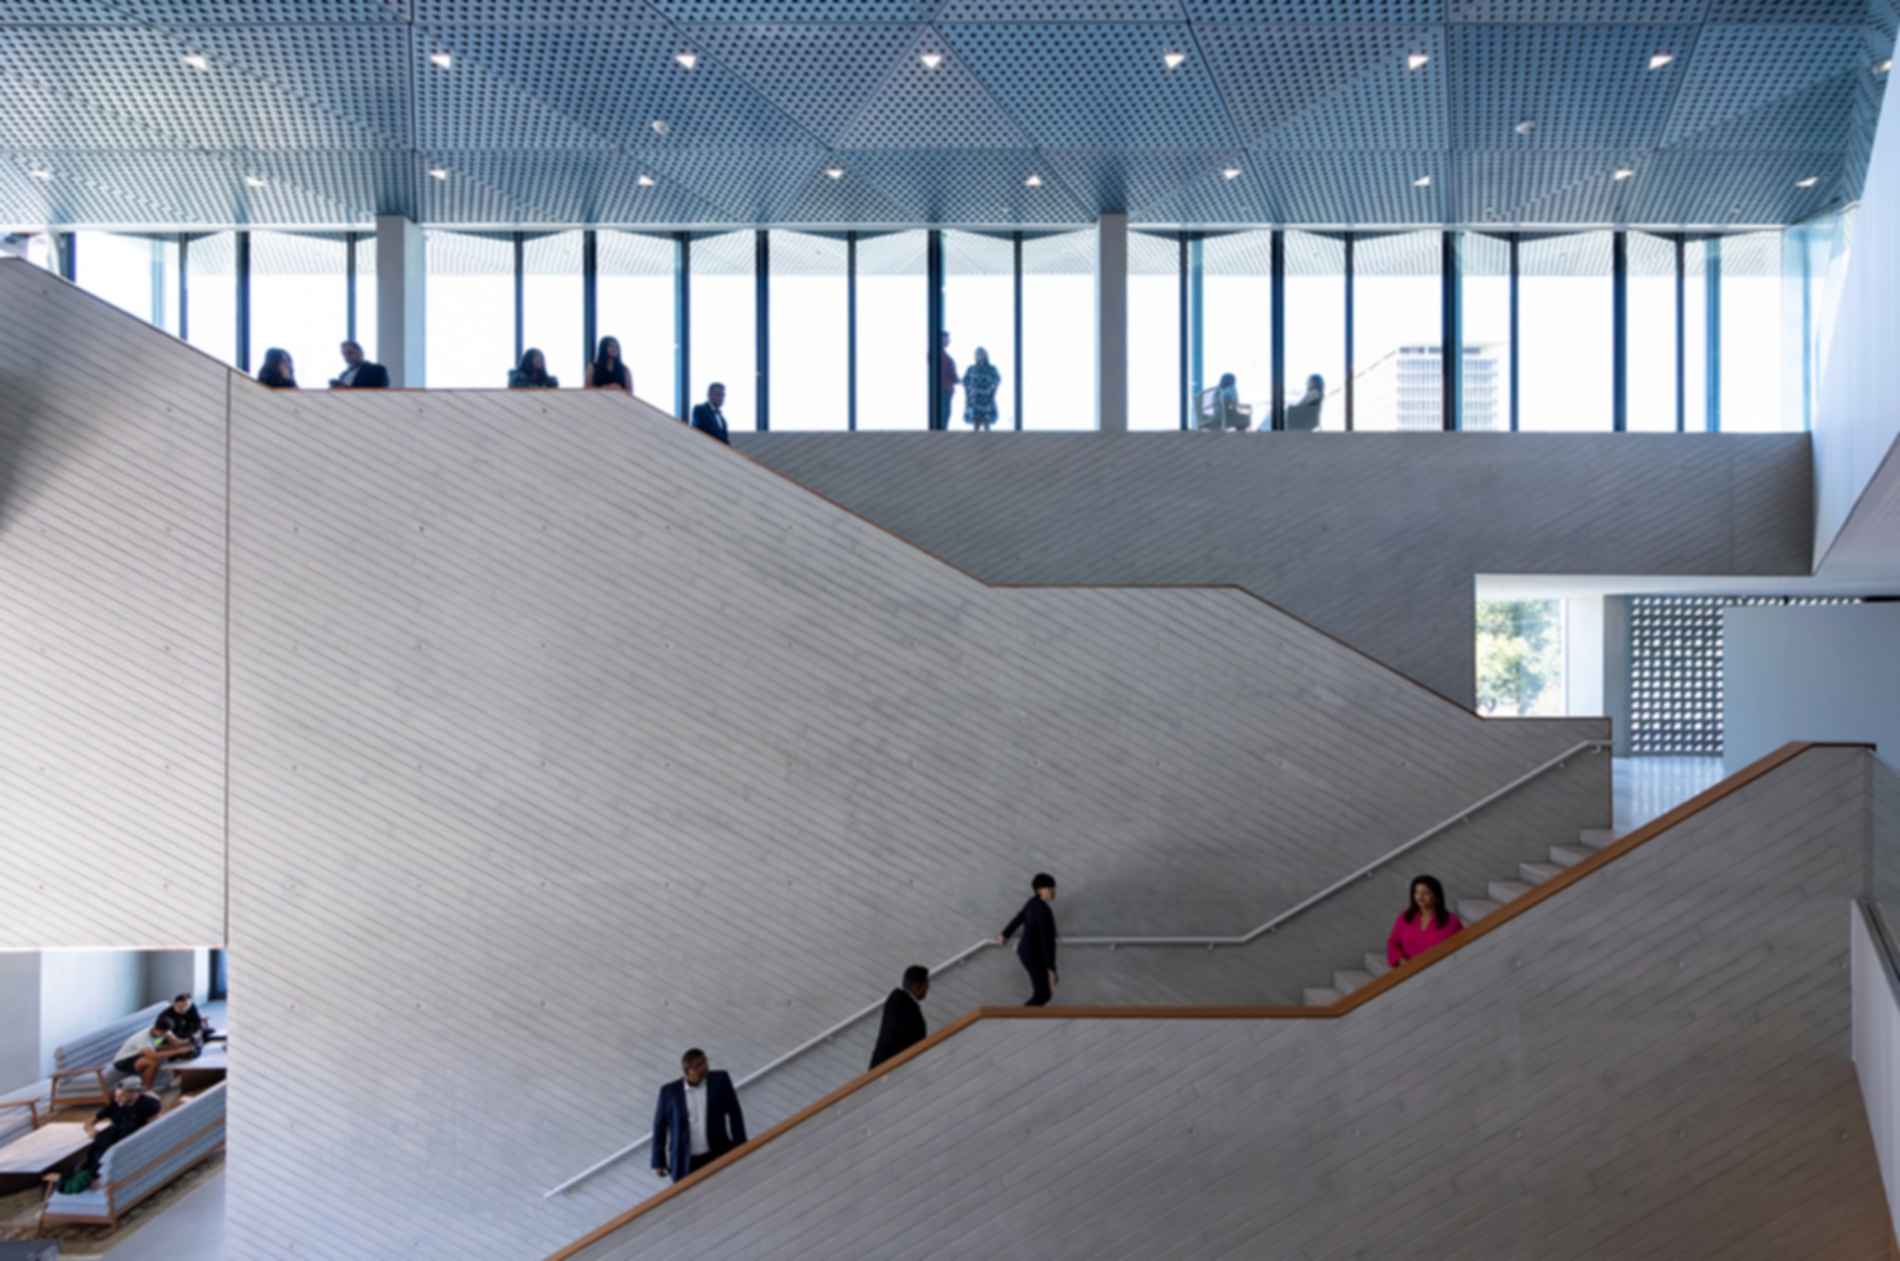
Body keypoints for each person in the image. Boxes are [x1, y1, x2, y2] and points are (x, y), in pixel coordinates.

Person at [651, 1048, 747, 1182]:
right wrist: (658, 1161)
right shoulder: (669, 1092)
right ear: (688, 1070)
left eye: (705, 1062)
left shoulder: (720, 1080)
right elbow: (659, 1127)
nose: (706, 1067)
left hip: (718, 1152)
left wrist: (742, 1145)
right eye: (700, 1064)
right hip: (684, 1161)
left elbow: (734, 1113)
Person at [52, 1079, 160, 1183]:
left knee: (105, 1151)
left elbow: (154, 1119)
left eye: (121, 1096)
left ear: (133, 1094)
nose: (117, 1099)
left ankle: (88, 1175)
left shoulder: (148, 1104)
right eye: (116, 1096)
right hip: (114, 1135)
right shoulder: (116, 1104)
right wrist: (90, 1129)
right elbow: (91, 1120)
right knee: (99, 1144)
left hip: (129, 1141)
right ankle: (84, 1173)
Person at [996, 873, 1059, 1007]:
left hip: (1027, 952)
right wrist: (1051, 969)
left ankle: (1021, 1016)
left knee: (1041, 993)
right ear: (1040, 890)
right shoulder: (1043, 910)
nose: (1053, 891)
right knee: (1043, 995)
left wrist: (1005, 934)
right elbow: (1047, 941)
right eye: (1050, 888)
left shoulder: (1032, 903)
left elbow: (1019, 918)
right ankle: (1018, 1018)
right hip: (1033, 955)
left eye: (1053, 888)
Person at [1386, 874, 1465, 969]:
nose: (1420, 897)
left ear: (1436, 896)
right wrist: (1403, 962)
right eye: (1416, 892)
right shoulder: (1405, 917)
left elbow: (1462, 948)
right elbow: (1392, 943)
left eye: (1425, 893)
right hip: (1409, 973)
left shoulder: (1452, 922)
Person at [868, 965, 930, 1069]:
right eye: (926, 985)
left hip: (885, 1066)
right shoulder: (903, 1004)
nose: (927, 988)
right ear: (917, 986)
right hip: (889, 1068)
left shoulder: (898, 1000)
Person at [153, 993, 206, 1062]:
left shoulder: (191, 1007)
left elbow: (198, 1024)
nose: (183, 1009)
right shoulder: (165, 1017)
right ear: (174, 1004)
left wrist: (196, 1035)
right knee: (159, 1044)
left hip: (185, 1032)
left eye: (186, 1007)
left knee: (203, 1029)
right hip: (170, 1038)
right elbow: (158, 1041)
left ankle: (185, 1050)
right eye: (180, 1007)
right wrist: (188, 1042)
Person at [963, 347, 1000, 431]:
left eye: (981, 354)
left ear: (985, 355)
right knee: (976, 423)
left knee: (987, 423)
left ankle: (989, 442)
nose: (979, 356)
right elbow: (965, 381)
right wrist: (971, 390)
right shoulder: (971, 369)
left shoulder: (991, 368)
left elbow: (997, 380)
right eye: (977, 354)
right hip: (975, 400)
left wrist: (989, 389)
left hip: (987, 399)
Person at [935, 330, 958, 431]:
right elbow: (950, 375)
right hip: (944, 389)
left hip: (946, 390)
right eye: (947, 338)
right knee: (944, 414)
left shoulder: (945, 357)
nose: (949, 341)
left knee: (945, 413)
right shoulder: (942, 357)